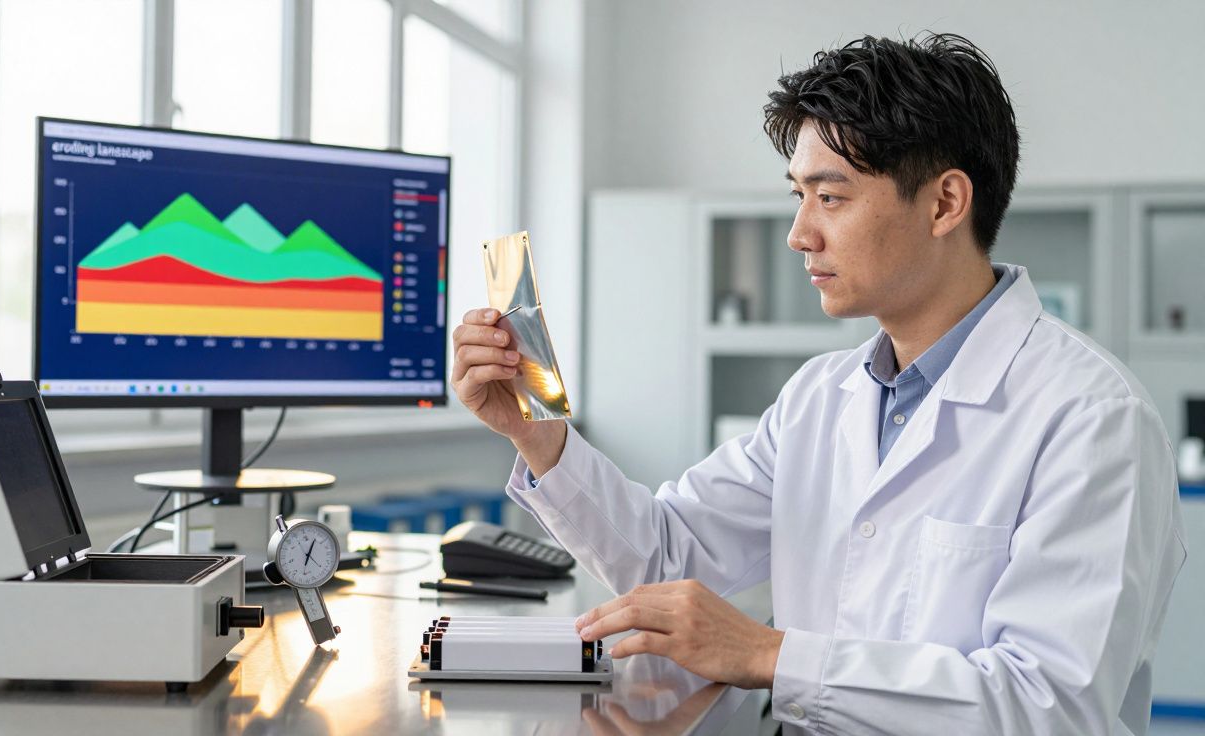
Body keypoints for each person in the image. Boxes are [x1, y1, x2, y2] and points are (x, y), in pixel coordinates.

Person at [450, 33, 1186, 735]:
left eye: (829, 197)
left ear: (944, 203)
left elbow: (1049, 709)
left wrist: (770, 655)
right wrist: (539, 437)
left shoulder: (1091, 417)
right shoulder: (819, 396)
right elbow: (666, 556)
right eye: (798, 195)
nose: (800, 233)